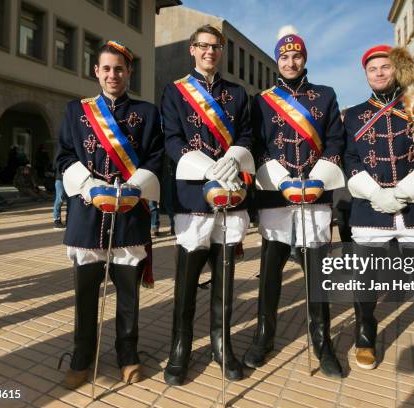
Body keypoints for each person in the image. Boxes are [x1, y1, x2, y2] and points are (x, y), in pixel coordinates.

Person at [343, 45, 414, 383]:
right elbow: (350, 159)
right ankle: (365, 337)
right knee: (364, 282)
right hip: (370, 209)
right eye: (372, 68)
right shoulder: (352, 115)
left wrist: (402, 193)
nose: (378, 73)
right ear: (366, 74)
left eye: (385, 67)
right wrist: (376, 193)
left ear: (397, 70)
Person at [55, 40, 164, 389]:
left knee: (128, 298)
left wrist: (134, 187)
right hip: (87, 216)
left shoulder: (147, 113)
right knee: (85, 296)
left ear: (129, 72)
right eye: (107, 68)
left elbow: (156, 158)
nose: (113, 74)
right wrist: (87, 186)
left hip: (130, 215)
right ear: (96, 71)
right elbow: (63, 157)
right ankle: (82, 355)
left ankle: (127, 354)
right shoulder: (76, 111)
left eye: (120, 68)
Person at [244, 26, 345, 378]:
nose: (290, 61)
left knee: (316, 275)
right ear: (277, 60)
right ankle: (263, 337)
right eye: (284, 56)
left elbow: (335, 141)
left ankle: (323, 342)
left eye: (296, 55)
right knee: (270, 274)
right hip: (276, 194)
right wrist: (283, 179)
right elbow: (258, 146)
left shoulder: (326, 95)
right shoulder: (262, 100)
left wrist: (317, 177)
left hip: (315, 194)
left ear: (305, 59)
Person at [161, 24, 254, 385]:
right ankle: (180, 348)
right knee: (185, 284)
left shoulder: (237, 93)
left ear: (222, 50)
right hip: (192, 197)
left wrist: (233, 158)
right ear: (192, 49)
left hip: (231, 194)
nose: (209, 52)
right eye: (203, 46)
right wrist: (206, 167)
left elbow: (247, 134)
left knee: (225, 281)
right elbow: (171, 138)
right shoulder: (175, 91)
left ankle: (221, 343)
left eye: (215, 47)